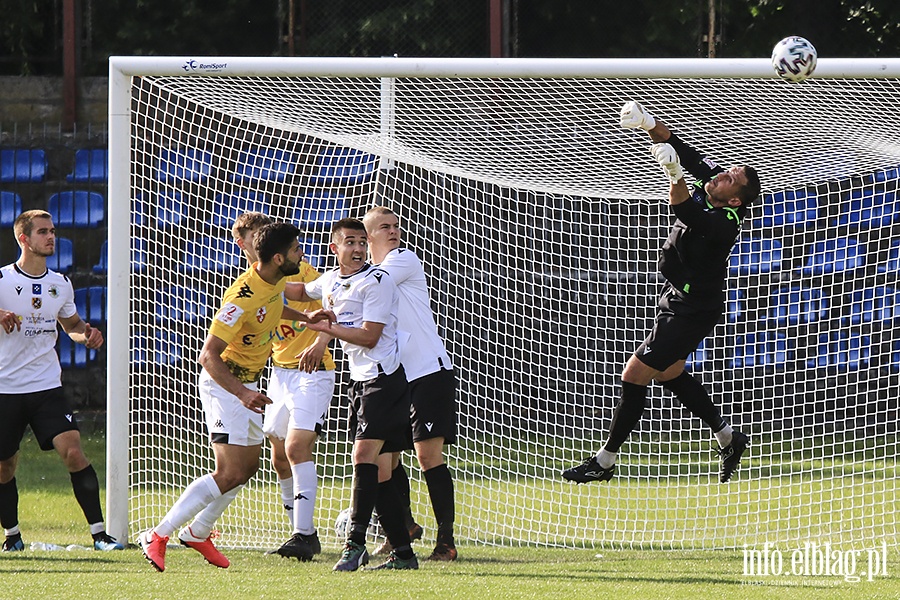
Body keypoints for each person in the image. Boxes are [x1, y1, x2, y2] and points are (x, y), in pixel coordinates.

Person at [563, 101, 761, 485]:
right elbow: (680, 146)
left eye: (729, 179)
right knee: (670, 372)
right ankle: (728, 437)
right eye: (725, 172)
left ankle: (605, 461)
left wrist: (672, 172)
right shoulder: (714, 185)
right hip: (677, 297)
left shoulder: (725, 222)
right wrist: (648, 123)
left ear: (735, 199)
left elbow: (689, 213)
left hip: (693, 309)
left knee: (635, 373)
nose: (720, 176)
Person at [139, 222, 335, 572]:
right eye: (295, 250)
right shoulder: (240, 296)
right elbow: (208, 355)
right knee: (229, 472)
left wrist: (306, 317)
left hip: (246, 388)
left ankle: (198, 532)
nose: (301, 254)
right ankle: (159, 534)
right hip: (225, 386)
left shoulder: (272, 283)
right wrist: (242, 392)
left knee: (246, 469)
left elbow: (272, 308)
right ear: (278, 258)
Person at [295, 217, 417, 571]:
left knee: (363, 456)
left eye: (362, 242)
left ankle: (355, 544)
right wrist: (263, 279)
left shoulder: (376, 280)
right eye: (350, 242)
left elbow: (370, 337)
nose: (359, 248)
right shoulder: (331, 279)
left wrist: (327, 330)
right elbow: (301, 291)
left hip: (385, 380)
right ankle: (405, 554)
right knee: (380, 473)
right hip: (362, 382)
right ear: (334, 248)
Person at [0, 210, 124, 552]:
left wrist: (87, 335)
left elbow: (72, 326)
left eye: (53, 231)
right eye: (43, 232)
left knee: (72, 451)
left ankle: (100, 535)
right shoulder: (2, 281)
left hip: (46, 388)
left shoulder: (60, 283)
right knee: (4, 466)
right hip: (5, 389)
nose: (51, 237)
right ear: (23, 238)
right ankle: (12, 536)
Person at [230, 212, 337, 562]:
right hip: (280, 374)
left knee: (296, 447)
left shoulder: (302, 274)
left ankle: (303, 534)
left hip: (313, 371)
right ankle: (301, 533)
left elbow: (330, 309)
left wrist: (320, 342)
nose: (244, 243)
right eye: (243, 238)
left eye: (251, 236)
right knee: (279, 455)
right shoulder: (251, 283)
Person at [362, 206, 458, 561]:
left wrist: (333, 282)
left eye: (396, 226)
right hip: (394, 379)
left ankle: (445, 542)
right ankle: (401, 527)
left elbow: (364, 284)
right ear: (368, 236)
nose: (393, 231)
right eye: (384, 227)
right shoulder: (366, 275)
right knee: (384, 459)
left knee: (427, 455)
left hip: (428, 372)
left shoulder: (402, 260)